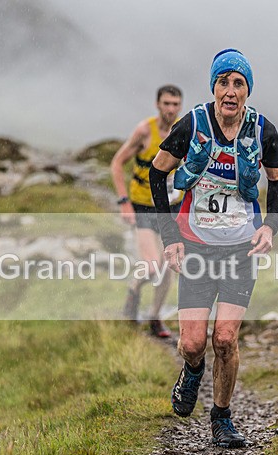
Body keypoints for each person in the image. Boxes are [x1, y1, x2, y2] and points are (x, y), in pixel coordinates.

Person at [149, 49, 278, 448]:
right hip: (194, 247)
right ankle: (192, 370)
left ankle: (222, 418)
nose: (231, 91)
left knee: (225, 338)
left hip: (240, 250)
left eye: (239, 83)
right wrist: (170, 237)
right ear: (213, 87)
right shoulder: (192, 124)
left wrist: (269, 226)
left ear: (248, 90)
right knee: (193, 343)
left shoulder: (263, 131)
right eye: (223, 82)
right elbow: (157, 174)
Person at [111, 85, 184, 338]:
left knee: (169, 265)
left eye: (175, 104)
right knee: (153, 266)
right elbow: (117, 163)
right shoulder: (145, 131)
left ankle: (155, 318)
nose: (171, 109)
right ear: (157, 104)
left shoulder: (184, 131)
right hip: (143, 205)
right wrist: (124, 202)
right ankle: (134, 289)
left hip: (171, 208)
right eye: (167, 103)